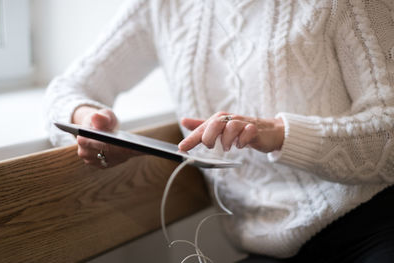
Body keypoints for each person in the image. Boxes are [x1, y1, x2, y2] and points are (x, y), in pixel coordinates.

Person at [45, 0, 394, 262]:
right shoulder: (161, 5)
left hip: (372, 224)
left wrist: (279, 133)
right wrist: (90, 123)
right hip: (268, 248)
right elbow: (66, 89)